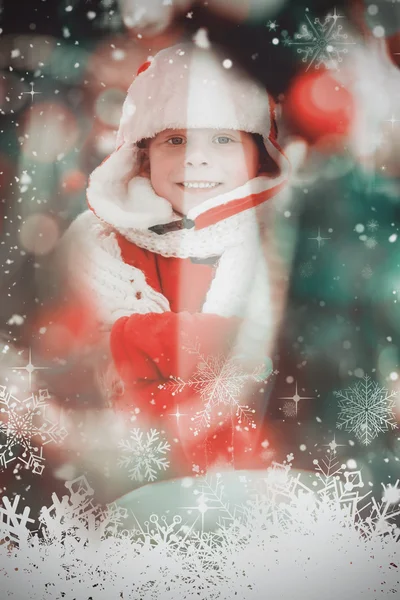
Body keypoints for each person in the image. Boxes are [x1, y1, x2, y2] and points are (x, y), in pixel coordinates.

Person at [61, 42, 293, 485]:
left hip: (245, 476)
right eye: (176, 139)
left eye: (223, 139)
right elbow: (87, 363)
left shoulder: (273, 244)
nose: (195, 157)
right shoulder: (97, 242)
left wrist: (133, 340)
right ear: (144, 156)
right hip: (112, 472)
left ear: (258, 153)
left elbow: (257, 364)